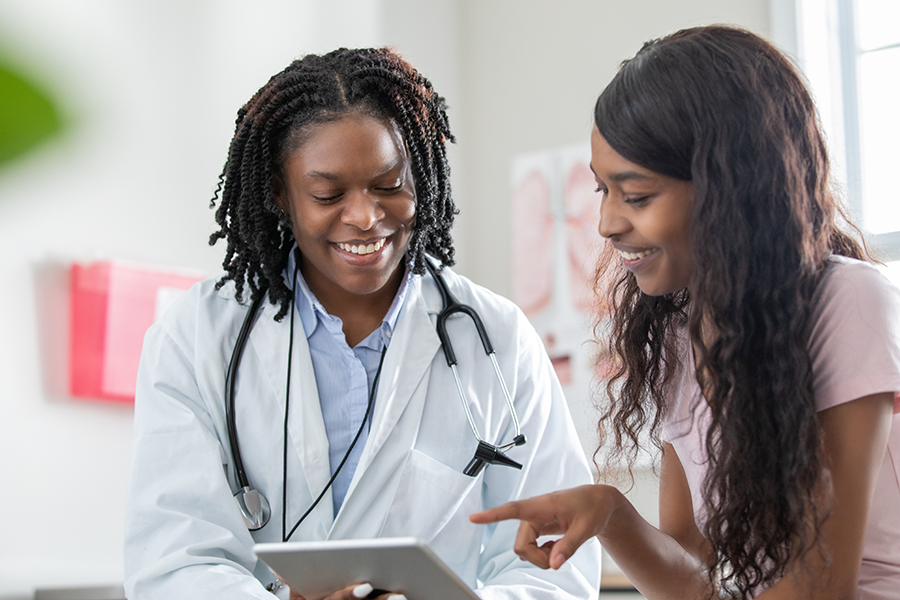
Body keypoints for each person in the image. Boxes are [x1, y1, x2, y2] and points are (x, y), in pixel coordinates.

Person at [123, 48, 601, 600]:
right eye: (328, 194)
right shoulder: (198, 338)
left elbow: (557, 566)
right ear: (281, 195)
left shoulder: (495, 337)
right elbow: (173, 563)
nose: (365, 217)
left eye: (389, 185)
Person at [471, 25, 900, 600]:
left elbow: (820, 586)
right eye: (603, 191)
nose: (607, 224)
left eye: (637, 196)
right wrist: (609, 514)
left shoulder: (848, 300)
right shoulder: (678, 337)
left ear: (730, 188)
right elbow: (692, 580)